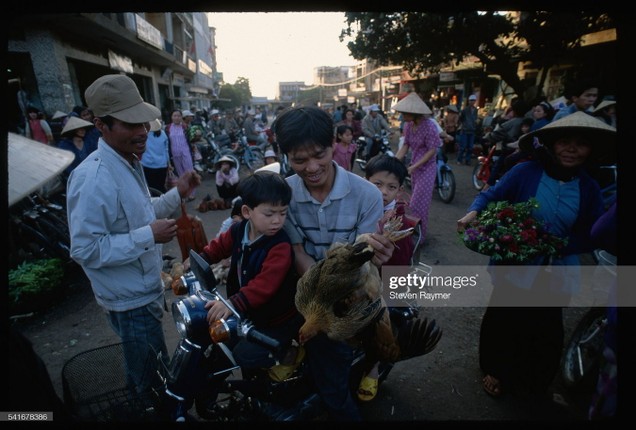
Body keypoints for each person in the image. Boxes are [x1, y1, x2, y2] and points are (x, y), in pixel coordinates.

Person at [456, 111, 614, 401]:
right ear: (551, 145)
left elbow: (592, 233)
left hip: (559, 269)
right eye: (565, 142)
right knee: (505, 318)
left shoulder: (589, 187)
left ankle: (534, 378)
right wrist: (473, 213)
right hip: (515, 265)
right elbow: (492, 195)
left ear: (591, 150)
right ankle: (496, 369)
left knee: (545, 325)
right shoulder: (525, 172)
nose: (571, 149)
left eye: (580, 143)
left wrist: (557, 244)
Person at [66, 74, 201, 396]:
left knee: (150, 365)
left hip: (144, 289)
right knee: (150, 379)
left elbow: (140, 212)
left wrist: (176, 194)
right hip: (130, 301)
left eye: (143, 122)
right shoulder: (93, 177)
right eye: (130, 124)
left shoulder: (127, 161)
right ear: (101, 125)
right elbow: (85, 249)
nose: (143, 132)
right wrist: (147, 236)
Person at [272, 105, 395, 421]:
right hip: (306, 282)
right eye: (300, 160)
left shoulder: (367, 194)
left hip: (349, 292)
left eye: (319, 155)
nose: (312, 167)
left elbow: (362, 260)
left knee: (332, 375)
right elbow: (297, 250)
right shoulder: (283, 193)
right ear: (285, 156)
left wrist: (375, 254)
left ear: (334, 146)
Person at [188, 171, 304, 380]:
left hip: (277, 319)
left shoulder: (280, 245)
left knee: (244, 355)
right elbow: (218, 247)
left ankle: (289, 353)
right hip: (249, 312)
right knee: (219, 344)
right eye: (269, 214)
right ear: (247, 211)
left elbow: (264, 286)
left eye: (283, 213)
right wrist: (199, 260)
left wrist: (232, 304)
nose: (277, 221)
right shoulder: (238, 230)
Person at [358, 153, 414, 402]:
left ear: (399, 190)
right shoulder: (356, 207)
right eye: (376, 184)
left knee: (378, 326)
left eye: (391, 187)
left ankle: (372, 368)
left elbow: (400, 264)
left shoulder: (401, 220)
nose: (383, 192)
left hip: (385, 283)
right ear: (364, 180)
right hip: (355, 279)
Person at [393, 92, 442, 245]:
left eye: (404, 113)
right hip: (414, 167)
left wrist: (414, 166)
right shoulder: (408, 126)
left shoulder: (429, 126)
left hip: (426, 168)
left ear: (413, 113)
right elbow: (406, 145)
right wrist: (393, 161)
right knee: (417, 202)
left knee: (418, 203)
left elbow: (432, 150)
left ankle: (419, 236)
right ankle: (415, 232)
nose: (401, 116)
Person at [166, 109, 197, 201]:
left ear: (181, 117)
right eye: (174, 116)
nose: (176, 117)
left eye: (178, 116)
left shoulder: (185, 127)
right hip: (175, 154)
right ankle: (184, 192)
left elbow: (191, 139)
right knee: (180, 175)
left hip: (186, 152)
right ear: (171, 117)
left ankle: (192, 193)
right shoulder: (168, 128)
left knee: (190, 173)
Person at [56, 116, 94, 181]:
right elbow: (66, 165)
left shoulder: (88, 141)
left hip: (92, 174)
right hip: (75, 178)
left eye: (83, 128)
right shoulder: (64, 146)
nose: (83, 131)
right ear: (73, 131)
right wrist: (76, 176)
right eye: (79, 129)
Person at [140, 118, 171, 193]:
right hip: (162, 165)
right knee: (161, 186)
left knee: (151, 188)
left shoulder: (144, 134)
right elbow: (166, 150)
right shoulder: (163, 134)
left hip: (148, 165)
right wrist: (169, 163)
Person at [456, 94, 479, 165]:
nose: (472, 102)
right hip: (465, 130)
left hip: (472, 130)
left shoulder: (476, 110)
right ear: (469, 101)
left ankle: (467, 160)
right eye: (471, 101)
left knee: (470, 147)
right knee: (463, 146)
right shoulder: (465, 110)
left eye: (473, 100)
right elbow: (461, 119)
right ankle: (459, 159)